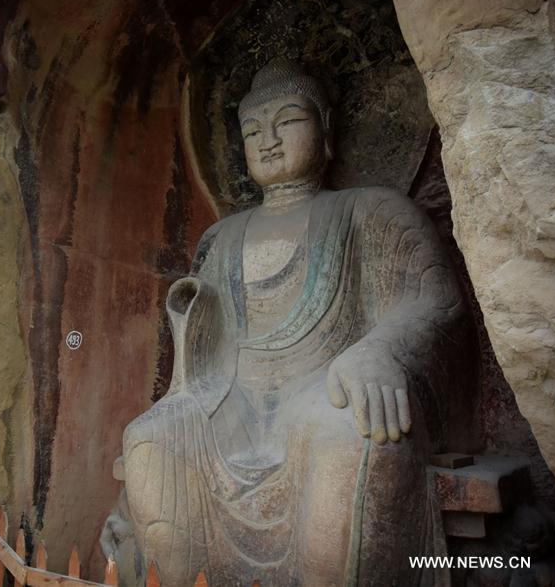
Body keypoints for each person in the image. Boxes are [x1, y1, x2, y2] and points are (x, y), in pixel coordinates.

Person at [120, 59, 476, 585]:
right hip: (234, 401)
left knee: (345, 429)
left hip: (322, 389)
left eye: (287, 122)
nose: (268, 141)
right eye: (251, 131)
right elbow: (205, 351)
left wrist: (379, 349)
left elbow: (434, 301)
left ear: (326, 130)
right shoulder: (220, 237)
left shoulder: (373, 211)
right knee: (151, 436)